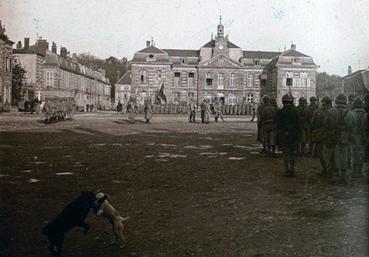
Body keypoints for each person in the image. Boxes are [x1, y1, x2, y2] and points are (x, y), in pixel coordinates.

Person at [325, 94, 355, 185]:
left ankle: (335, 177)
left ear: (336, 101)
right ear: (345, 101)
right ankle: (343, 177)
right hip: (345, 138)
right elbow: (353, 127)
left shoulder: (330, 112)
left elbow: (327, 125)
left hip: (334, 137)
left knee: (334, 157)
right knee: (345, 157)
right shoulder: (350, 113)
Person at [276, 94, 301, 177]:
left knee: (285, 153)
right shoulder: (295, 111)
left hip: (283, 134)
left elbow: (278, 125)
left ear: (283, 102)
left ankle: (287, 170)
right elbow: (298, 125)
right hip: (293, 135)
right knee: (292, 153)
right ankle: (292, 169)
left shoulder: (280, 111)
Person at [311, 96, 332, 177]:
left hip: (320, 136)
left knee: (321, 153)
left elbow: (313, 124)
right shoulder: (332, 112)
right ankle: (330, 170)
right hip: (330, 135)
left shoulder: (317, 112)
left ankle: (325, 169)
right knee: (330, 154)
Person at [351, 97, 366, 178]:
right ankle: (360, 172)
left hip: (354, 136)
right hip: (362, 136)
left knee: (354, 154)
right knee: (361, 154)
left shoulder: (352, 113)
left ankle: (354, 172)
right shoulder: (365, 113)